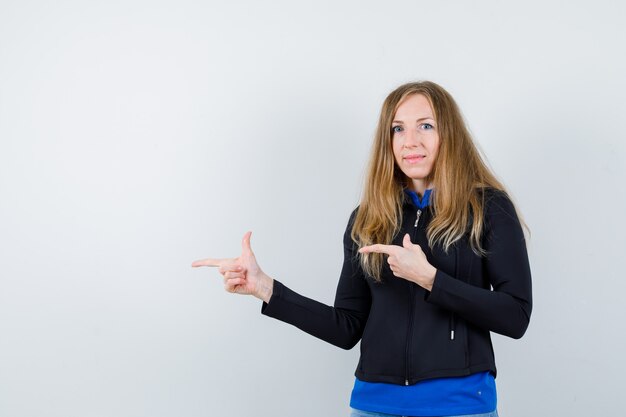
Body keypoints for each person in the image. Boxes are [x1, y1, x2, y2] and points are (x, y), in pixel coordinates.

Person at [192, 81, 532, 417]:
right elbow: (346, 326)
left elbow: (515, 316)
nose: (410, 141)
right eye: (398, 129)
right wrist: (264, 288)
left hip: (459, 405)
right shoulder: (368, 218)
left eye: (425, 126)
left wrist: (430, 279)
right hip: (373, 406)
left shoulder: (488, 209)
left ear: (450, 135)